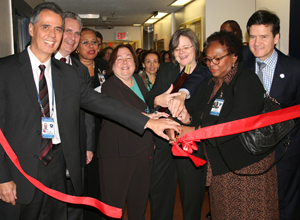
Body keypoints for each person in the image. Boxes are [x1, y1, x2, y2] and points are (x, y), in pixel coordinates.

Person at [0, 3, 179, 220]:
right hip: (19, 169)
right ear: (31, 28)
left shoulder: (68, 74)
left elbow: (102, 103)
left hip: (58, 165)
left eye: (58, 29)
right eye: (46, 27)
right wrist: (3, 177)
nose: (52, 35)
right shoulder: (5, 70)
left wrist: (148, 122)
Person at [177, 31, 279, 219]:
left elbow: (236, 122)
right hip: (221, 166)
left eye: (217, 58)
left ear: (234, 56)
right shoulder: (211, 83)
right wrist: (187, 119)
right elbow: (202, 116)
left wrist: (194, 131)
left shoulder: (246, 80)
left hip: (248, 168)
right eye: (208, 60)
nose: (212, 64)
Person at [145, 28, 211, 220]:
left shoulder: (205, 72)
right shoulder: (166, 69)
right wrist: (159, 100)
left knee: (191, 195)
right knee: (160, 192)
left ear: (195, 48)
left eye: (186, 47)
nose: (181, 52)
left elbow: (204, 111)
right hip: (165, 137)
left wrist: (188, 117)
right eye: (176, 48)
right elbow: (149, 97)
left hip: (191, 139)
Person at [98, 44, 168, 220]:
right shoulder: (109, 86)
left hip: (142, 150)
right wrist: (150, 118)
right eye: (119, 58)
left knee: (139, 203)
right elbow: (124, 110)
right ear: (112, 64)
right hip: (117, 154)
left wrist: (155, 112)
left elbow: (146, 104)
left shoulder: (137, 79)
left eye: (128, 57)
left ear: (135, 62)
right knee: (114, 205)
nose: (124, 62)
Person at [243, 10, 300, 219]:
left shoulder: (294, 69)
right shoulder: (241, 67)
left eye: (264, 36)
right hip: (249, 151)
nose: (257, 42)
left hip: (284, 152)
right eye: (252, 36)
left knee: (284, 202)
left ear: (276, 38)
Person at [54, 11, 91, 220]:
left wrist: (89, 145)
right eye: (67, 31)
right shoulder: (43, 64)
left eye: (77, 33)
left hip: (77, 146)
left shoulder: (80, 69)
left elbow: (88, 111)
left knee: (76, 198)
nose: (72, 37)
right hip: (49, 151)